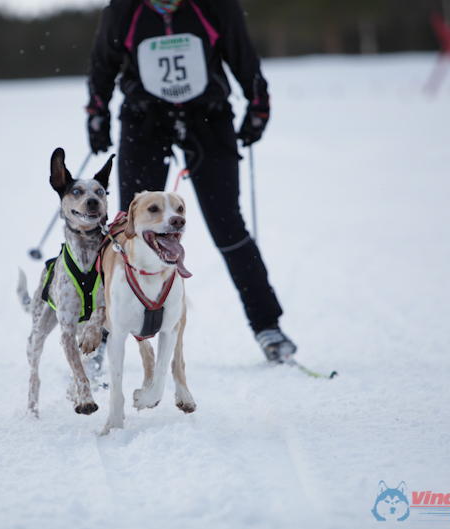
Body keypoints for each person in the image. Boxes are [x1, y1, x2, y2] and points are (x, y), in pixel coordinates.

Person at [86, 0, 296, 363]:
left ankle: (268, 327)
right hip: (145, 119)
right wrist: (97, 112)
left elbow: (243, 56)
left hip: (208, 117)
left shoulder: (215, 6)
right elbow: (103, 62)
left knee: (227, 224)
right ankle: (100, 332)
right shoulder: (125, 9)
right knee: (128, 228)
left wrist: (258, 105)